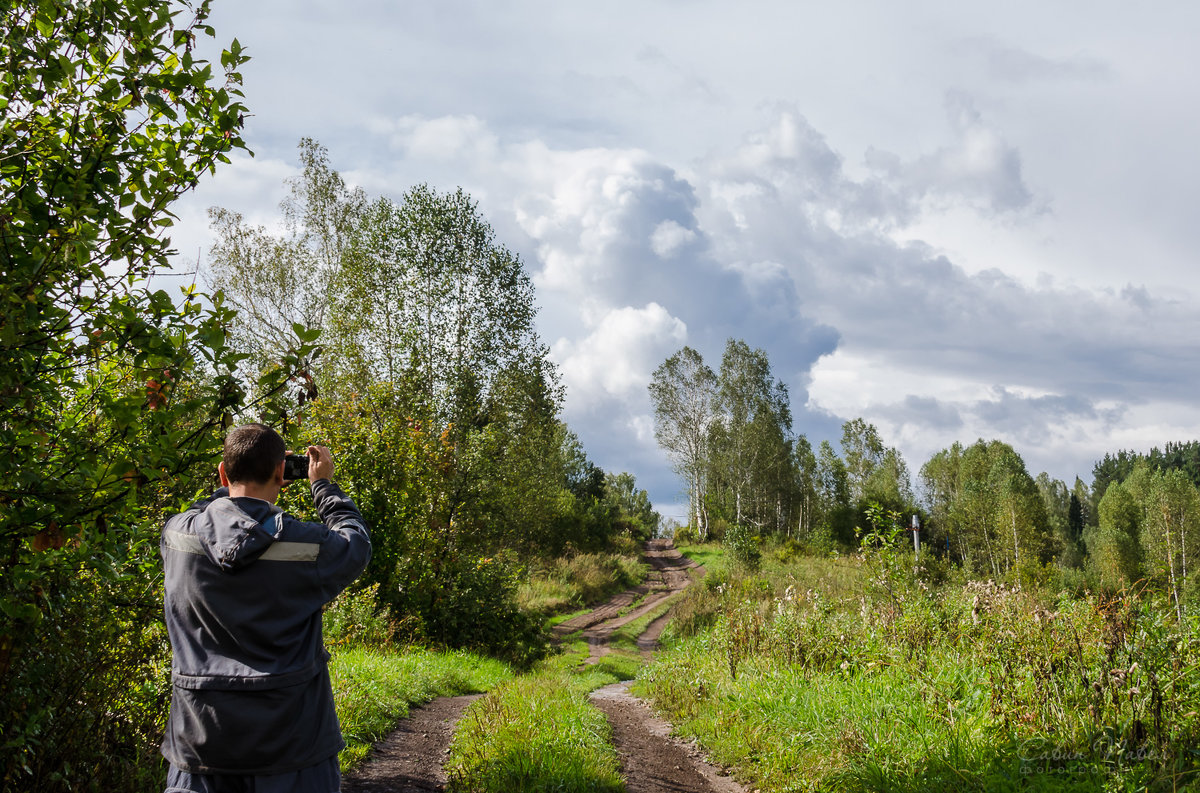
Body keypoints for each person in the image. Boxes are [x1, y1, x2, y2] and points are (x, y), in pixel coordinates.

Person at [160, 423, 371, 793]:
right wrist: (323, 486)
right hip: (292, 749)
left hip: (199, 745)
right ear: (280, 473)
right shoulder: (307, 546)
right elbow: (355, 543)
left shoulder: (177, 536)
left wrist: (229, 485)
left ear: (224, 474)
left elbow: (205, 511)